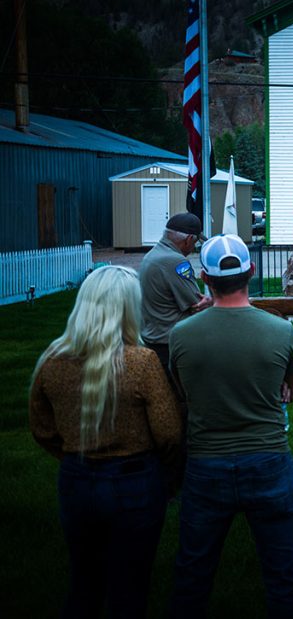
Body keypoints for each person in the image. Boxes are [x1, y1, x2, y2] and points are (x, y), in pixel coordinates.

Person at [168, 234, 293, 617]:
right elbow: (290, 392)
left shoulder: (180, 336)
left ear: (204, 278)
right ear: (251, 271)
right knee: (283, 579)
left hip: (205, 464)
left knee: (193, 576)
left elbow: (181, 391)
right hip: (269, 461)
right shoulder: (281, 331)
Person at [29, 265, 182, 618]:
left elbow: (41, 429)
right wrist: (166, 478)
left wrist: (75, 454)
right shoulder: (141, 362)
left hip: (76, 480)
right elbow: (170, 433)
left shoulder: (51, 361)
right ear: (129, 308)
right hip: (135, 483)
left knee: (83, 583)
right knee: (129, 589)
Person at [138, 212, 211, 376]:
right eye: (195, 243)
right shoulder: (176, 261)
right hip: (170, 344)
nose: (194, 248)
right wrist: (212, 301)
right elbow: (197, 303)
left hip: (153, 338)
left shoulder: (152, 254)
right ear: (188, 240)